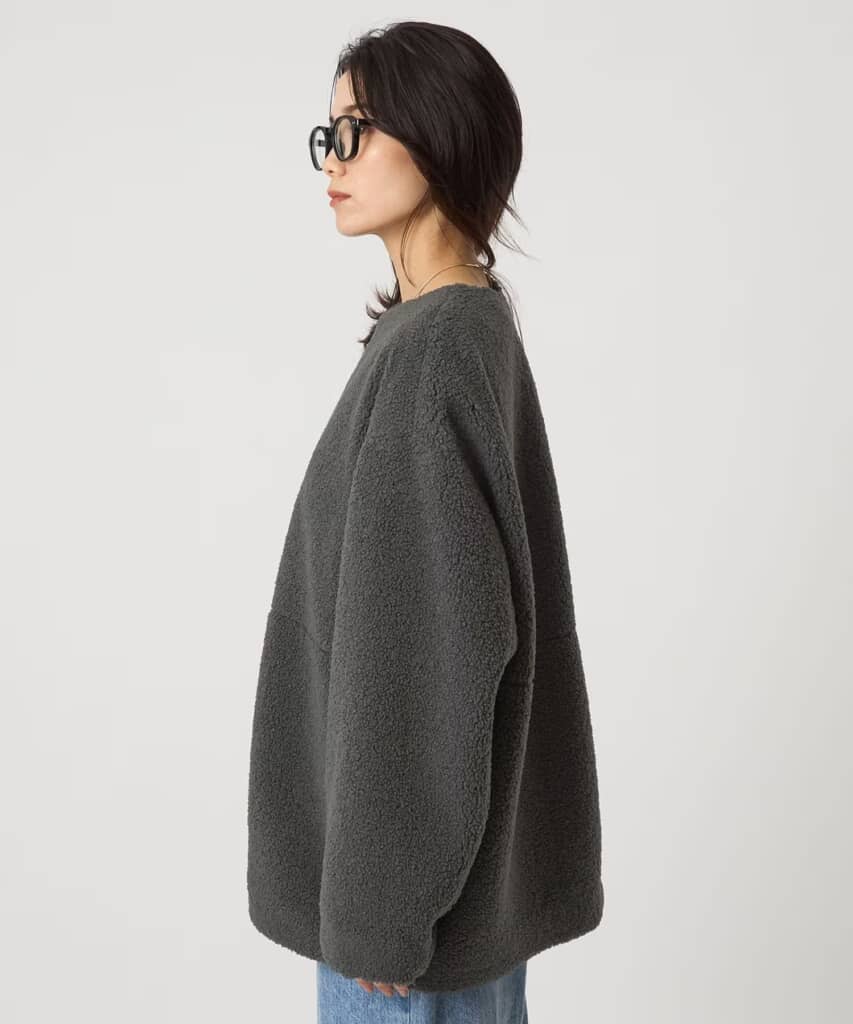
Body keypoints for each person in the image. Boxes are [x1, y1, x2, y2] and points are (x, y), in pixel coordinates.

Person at [246, 21, 604, 1023]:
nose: (333, 160)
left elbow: (424, 658)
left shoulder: (434, 352)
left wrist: (380, 913)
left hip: (406, 941)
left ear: (440, 133)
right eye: (327, 135)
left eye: (356, 130)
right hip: (448, 912)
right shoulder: (464, 325)